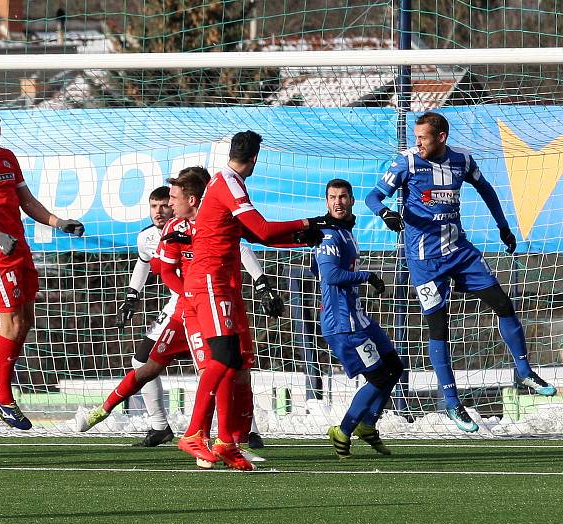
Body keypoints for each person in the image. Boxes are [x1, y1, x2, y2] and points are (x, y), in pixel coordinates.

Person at [365, 111, 556, 433]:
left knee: (503, 304)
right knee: (439, 327)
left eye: (423, 137)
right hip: (425, 261)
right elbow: (372, 196)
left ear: (441, 137)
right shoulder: (407, 163)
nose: (418, 143)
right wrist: (384, 212)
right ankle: (452, 402)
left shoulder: (462, 161)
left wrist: (504, 227)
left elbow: (488, 190)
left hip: (459, 251)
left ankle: (524, 370)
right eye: (416, 137)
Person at [77, 168, 281, 458]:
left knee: (227, 368)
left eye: (170, 200)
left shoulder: (216, 223)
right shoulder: (165, 231)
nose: (164, 208)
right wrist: (133, 297)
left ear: (194, 199)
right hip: (185, 309)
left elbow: (246, 248)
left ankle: (234, 437)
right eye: (158, 204)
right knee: (151, 364)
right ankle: (110, 411)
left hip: (211, 305)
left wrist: (261, 283)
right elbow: (159, 268)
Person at [178, 131, 327, 470]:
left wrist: (300, 239)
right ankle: (192, 434)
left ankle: (227, 442)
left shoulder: (230, 184)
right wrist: (311, 221)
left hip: (225, 285)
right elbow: (260, 229)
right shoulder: (228, 183)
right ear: (256, 159)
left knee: (236, 363)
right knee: (225, 358)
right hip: (210, 282)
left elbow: (246, 234)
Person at [0, 103, 84, 430]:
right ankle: (2, 393)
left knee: (26, 318)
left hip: (19, 246)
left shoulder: (8, 157)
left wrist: (58, 222)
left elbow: (27, 201)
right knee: (10, 318)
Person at [311, 179, 404, 459]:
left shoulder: (346, 232)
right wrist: (368, 276)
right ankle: (343, 430)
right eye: (332, 197)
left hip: (359, 318)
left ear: (351, 200)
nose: (337, 202)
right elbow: (330, 275)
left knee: (395, 368)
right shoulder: (328, 235)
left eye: (342, 197)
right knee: (377, 378)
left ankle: (368, 424)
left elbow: (318, 270)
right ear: (326, 202)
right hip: (343, 325)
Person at [114, 186, 177, 446]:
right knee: (141, 360)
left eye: (164, 205)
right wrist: (131, 296)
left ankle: (246, 430)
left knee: (219, 365)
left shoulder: (189, 230)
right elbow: (143, 263)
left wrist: (261, 281)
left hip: (198, 302)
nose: (158, 212)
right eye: (153, 206)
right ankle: (159, 426)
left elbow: (239, 249)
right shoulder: (147, 237)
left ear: (174, 206)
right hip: (178, 304)